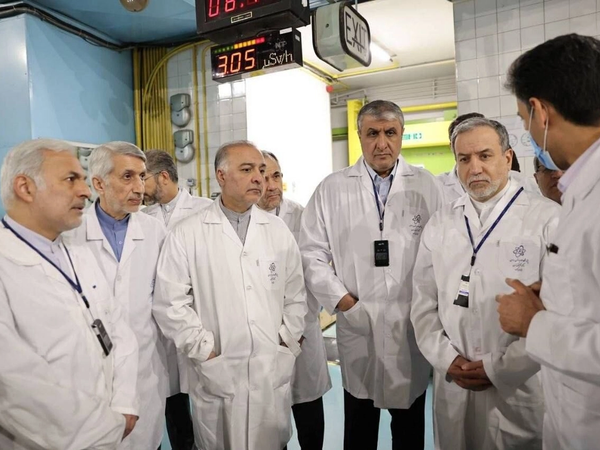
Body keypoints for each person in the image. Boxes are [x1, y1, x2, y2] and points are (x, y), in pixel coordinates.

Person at [300, 100, 442, 450]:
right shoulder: (332, 188)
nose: (382, 143)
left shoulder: (427, 185)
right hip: (357, 321)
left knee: (409, 429)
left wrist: (428, 308)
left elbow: (444, 252)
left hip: (409, 324)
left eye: (390, 133)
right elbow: (310, 252)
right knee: (359, 427)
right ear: (360, 135)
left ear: (402, 135)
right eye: (372, 133)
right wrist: (343, 301)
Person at [411, 118, 559, 449]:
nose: (474, 168)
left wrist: (501, 368)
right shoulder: (441, 223)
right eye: (464, 159)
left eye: (485, 155)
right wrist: (446, 359)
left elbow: (557, 311)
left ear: (507, 158)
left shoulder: (546, 219)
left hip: (519, 386)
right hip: (455, 380)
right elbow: (422, 301)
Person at [152, 141, 307, 450]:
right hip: (217, 370)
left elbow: (296, 296)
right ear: (221, 176)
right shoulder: (187, 233)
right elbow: (170, 304)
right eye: (247, 170)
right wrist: (204, 350)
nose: (258, 178)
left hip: (270, 368)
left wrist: (287, 341)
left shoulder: (277, 230)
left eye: (260, 170)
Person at [0, 139, 139, 449]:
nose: (86, 191)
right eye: (71, 179)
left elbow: (119, 328)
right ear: (25, 188)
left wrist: (124, 403)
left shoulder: (77, 252)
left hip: (112, 424)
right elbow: (14, 384)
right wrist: (104, 429)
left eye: (84, 179)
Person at [496, 33, 600, 450]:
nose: (527, 129)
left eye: (523, 120)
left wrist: (533, 323)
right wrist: (555, 294)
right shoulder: (580, 187)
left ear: (540, 112)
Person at [66, 141, 168, 450]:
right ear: (99, 183)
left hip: (145, 370)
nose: (139, 187)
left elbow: (167, 300)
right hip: (88, 373)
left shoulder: (155, 231)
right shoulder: (71, 234)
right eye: (127, 177)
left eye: (141, 176)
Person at [258, 151, 332, 450]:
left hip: (303, 330)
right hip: (263, 335)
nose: (272, 185)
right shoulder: (243, 223)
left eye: (276, 176)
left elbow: (317, 272)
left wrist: (295, 326)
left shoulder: (303, 218)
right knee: (270, 418)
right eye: (264, 178)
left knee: (308, 407)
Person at [143, 149, 212, 450]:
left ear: (163, 177)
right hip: (161, 323)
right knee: (172, 402)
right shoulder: (143, 217)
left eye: (143, 178)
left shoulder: (205, 210)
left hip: (198, 317)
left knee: (207, 402)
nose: (139, 187)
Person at [437, 113, 484, 202]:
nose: (475, 169)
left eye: (484, 156)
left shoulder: (508, 182)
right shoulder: (436, 186)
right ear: (452, 146)